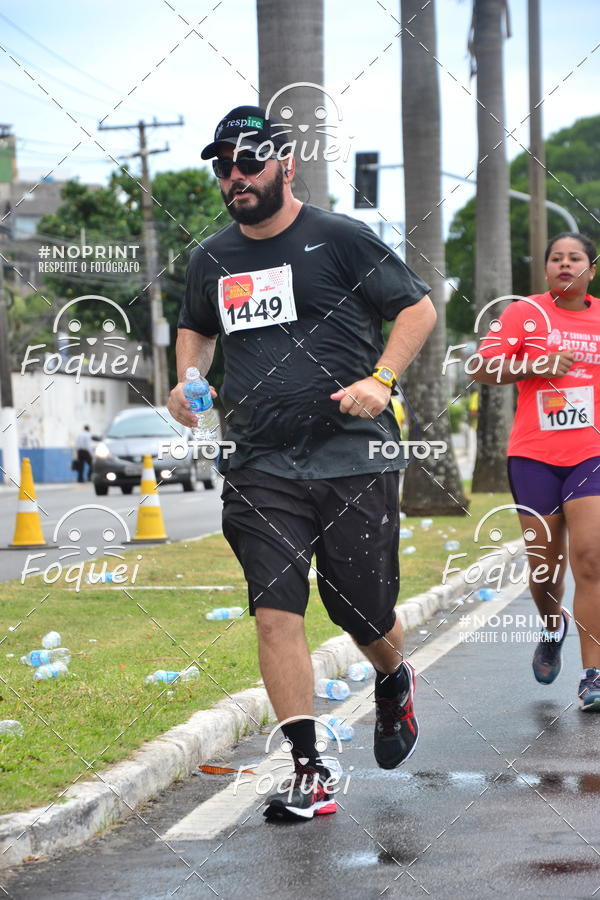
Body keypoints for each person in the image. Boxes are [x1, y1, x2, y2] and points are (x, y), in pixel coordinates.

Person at [168, 105, 436, 820]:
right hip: (258, 462)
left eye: (249, 162)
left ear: (285, 164)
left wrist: (380, 381)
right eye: (222, 166)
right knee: (274, 613)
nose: (235, 177)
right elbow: (194, 328)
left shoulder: (341, 239)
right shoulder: (212, 258)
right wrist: (188, 380)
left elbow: (416, 309)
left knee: (357, 607)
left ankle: (392, 676)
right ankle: (311, 772)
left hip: (352, 457)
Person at [474, 232, 600, 712]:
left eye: (576, 259)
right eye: (556, 258)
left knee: (591, 560)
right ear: (546, 269)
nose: (565, 265)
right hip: (535, 456)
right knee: (546, 569)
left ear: (591, 269)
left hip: (592, 453)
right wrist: (535, 363)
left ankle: (593, 675)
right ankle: (552, 624)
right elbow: (480, 366)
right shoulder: (525, 314)